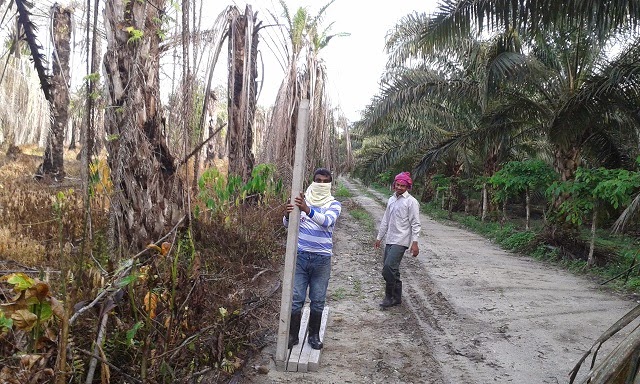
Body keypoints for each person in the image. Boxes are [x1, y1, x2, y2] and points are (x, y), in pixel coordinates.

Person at [284, 168, 342, 350]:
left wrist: (306, 210)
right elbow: (288, 225)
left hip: (321, 259)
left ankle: (314, 336)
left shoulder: (334, 204)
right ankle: (293, 335)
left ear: (330, 183)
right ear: (313, 180)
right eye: (318, 180)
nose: (321, 184)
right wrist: (287, 214)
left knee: (318, 299)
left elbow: (327, 221)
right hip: (300, 256)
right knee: (296, 298)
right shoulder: (303, 200)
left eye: (325, 181)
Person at [374, 171, 421, 308]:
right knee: (390, 269)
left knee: (388, 268)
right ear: (394, 185)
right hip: (390, 239)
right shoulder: (391, 200)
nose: (400, 187)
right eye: (398, 185)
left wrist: (415, 243)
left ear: (408, 187)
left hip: (401, 240)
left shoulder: (411, 202)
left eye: (403, 186)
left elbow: (415, 223)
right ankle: (397, 297)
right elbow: (385, 220)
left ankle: (389, 297)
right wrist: (379, 237)